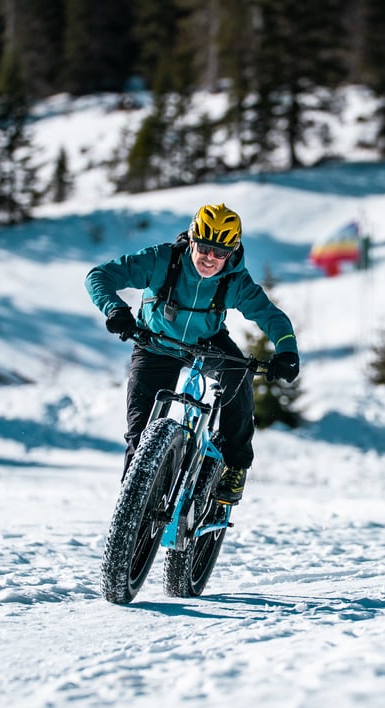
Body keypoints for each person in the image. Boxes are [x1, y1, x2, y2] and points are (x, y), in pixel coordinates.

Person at [85, 202, 300, 504]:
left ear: (232, 252)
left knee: (239, 375)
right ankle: (132, 509)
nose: (210, 258)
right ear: (192, 239)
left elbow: (272, 317)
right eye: (205, 247)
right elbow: (98, 276)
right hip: (154, 344)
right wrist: (116, 309)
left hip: (207, 343)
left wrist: (287, 350)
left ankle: (234, 466)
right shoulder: (162, 260)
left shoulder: (235, 280)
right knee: (140, 433)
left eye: (221, 252)